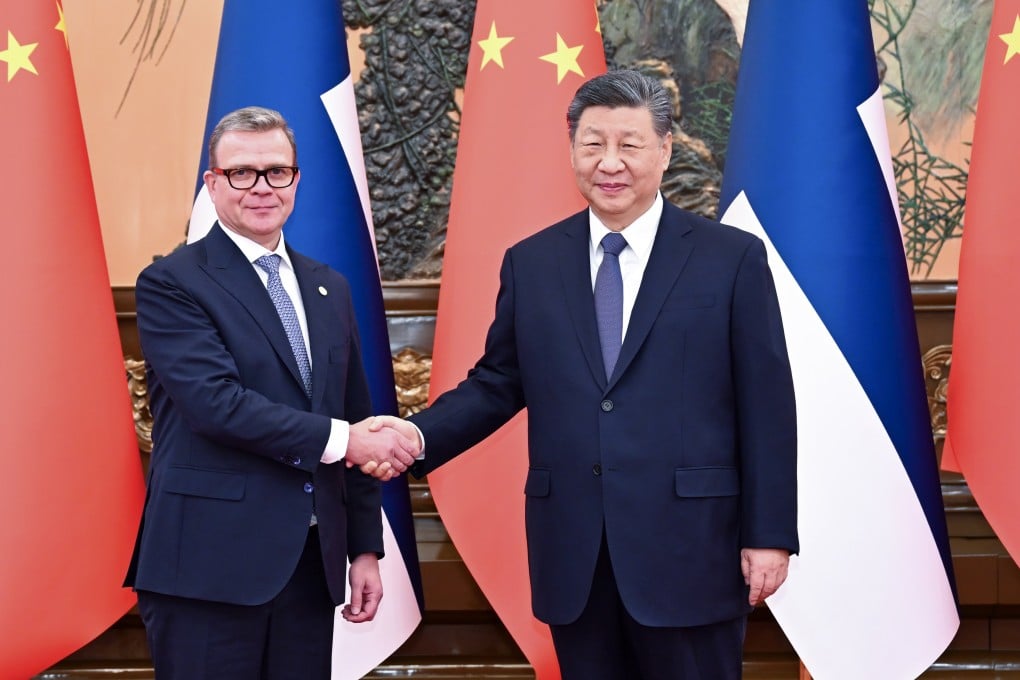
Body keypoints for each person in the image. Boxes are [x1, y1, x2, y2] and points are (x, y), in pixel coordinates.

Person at [370, 70, 798, 679]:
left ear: (664, 149)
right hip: (576, 555)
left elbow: (767, 406)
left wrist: (769, 533)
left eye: (629, 144)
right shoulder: (532, 263)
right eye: (593, 144)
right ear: (571, 149)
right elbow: (498, 382)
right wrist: (416, 436)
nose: (609, 162)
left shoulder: (730, 259)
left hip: (693, 549)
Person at [124, 106, 419, 679]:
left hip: (309, 568)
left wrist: (363, 547)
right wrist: (347, 440)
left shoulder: (329, 286)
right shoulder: (171, 282)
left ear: (296, 180)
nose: (262, 187)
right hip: (208, 571)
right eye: (242, 172)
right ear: (213, 184)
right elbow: (216, 405)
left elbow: (355, 413)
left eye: (277, 171)